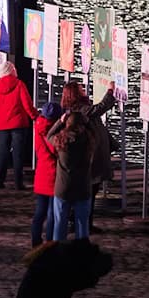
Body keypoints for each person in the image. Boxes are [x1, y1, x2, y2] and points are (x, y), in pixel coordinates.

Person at [61, 80, 117, 234]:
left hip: (91, 156)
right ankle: (83, 224)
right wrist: (110, 92)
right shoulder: (81, 110)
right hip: (91, 159)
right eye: (81, 89)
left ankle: (82, 223)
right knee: (88, 193)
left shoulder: (77, 108)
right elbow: (99, 109)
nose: (84, 90)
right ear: (76, 94)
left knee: (88, 192)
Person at [48, 111, 96, 241]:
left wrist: (60, 121)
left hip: (63, 187)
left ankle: (58, 251)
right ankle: (81, 252)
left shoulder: (61, 141)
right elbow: (97, 135)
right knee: (82, 224)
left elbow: (49, 135)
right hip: (82, 188)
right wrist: (88, 123)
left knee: (59, 223)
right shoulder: (88, 141)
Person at [0, 60, 37, 190]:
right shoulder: (19, 84)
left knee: (3, 152)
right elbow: (27, 104)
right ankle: (18, 183)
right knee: (18, 154)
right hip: (18, 124)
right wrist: (35, 116)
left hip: (2, 124)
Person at [32, 102, 62, 247]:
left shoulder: (38, 126)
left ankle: (35, 241)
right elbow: (55, 150)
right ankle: (49, 243)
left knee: (39, 213)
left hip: (41, 173)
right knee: (52, 215)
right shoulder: (52, 132)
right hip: (53, 174)